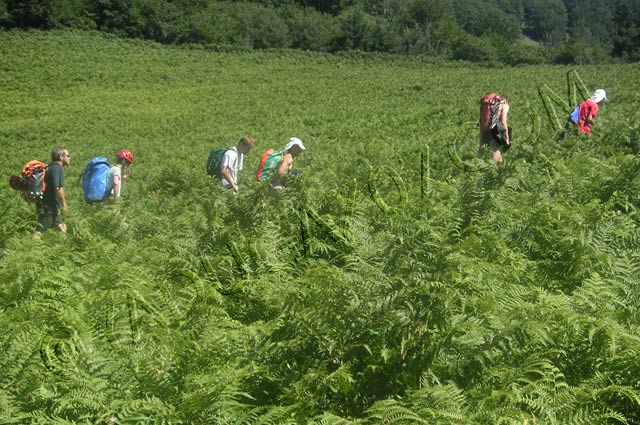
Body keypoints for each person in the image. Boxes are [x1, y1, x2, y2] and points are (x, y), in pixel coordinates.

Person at [33, 147, 71, 239]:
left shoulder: (50, 167)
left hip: (49, 204)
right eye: (68, 155)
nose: (70, 158)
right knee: (41, 229)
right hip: (48, 205)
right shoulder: (57, 169)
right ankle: (30, 248)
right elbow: (58, 188)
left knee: (60, 226)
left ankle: (63, 249)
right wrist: (64, 205)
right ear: (61, 157)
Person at [478, 93, 510, 163]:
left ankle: (476, 165)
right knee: (496, 150)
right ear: (505, 101)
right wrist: (507, 138)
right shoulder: (504, 105)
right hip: (495, 129)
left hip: (484, 128)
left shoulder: (486, 105)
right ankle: (495, 169)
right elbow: (503, 121)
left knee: (481, 151)